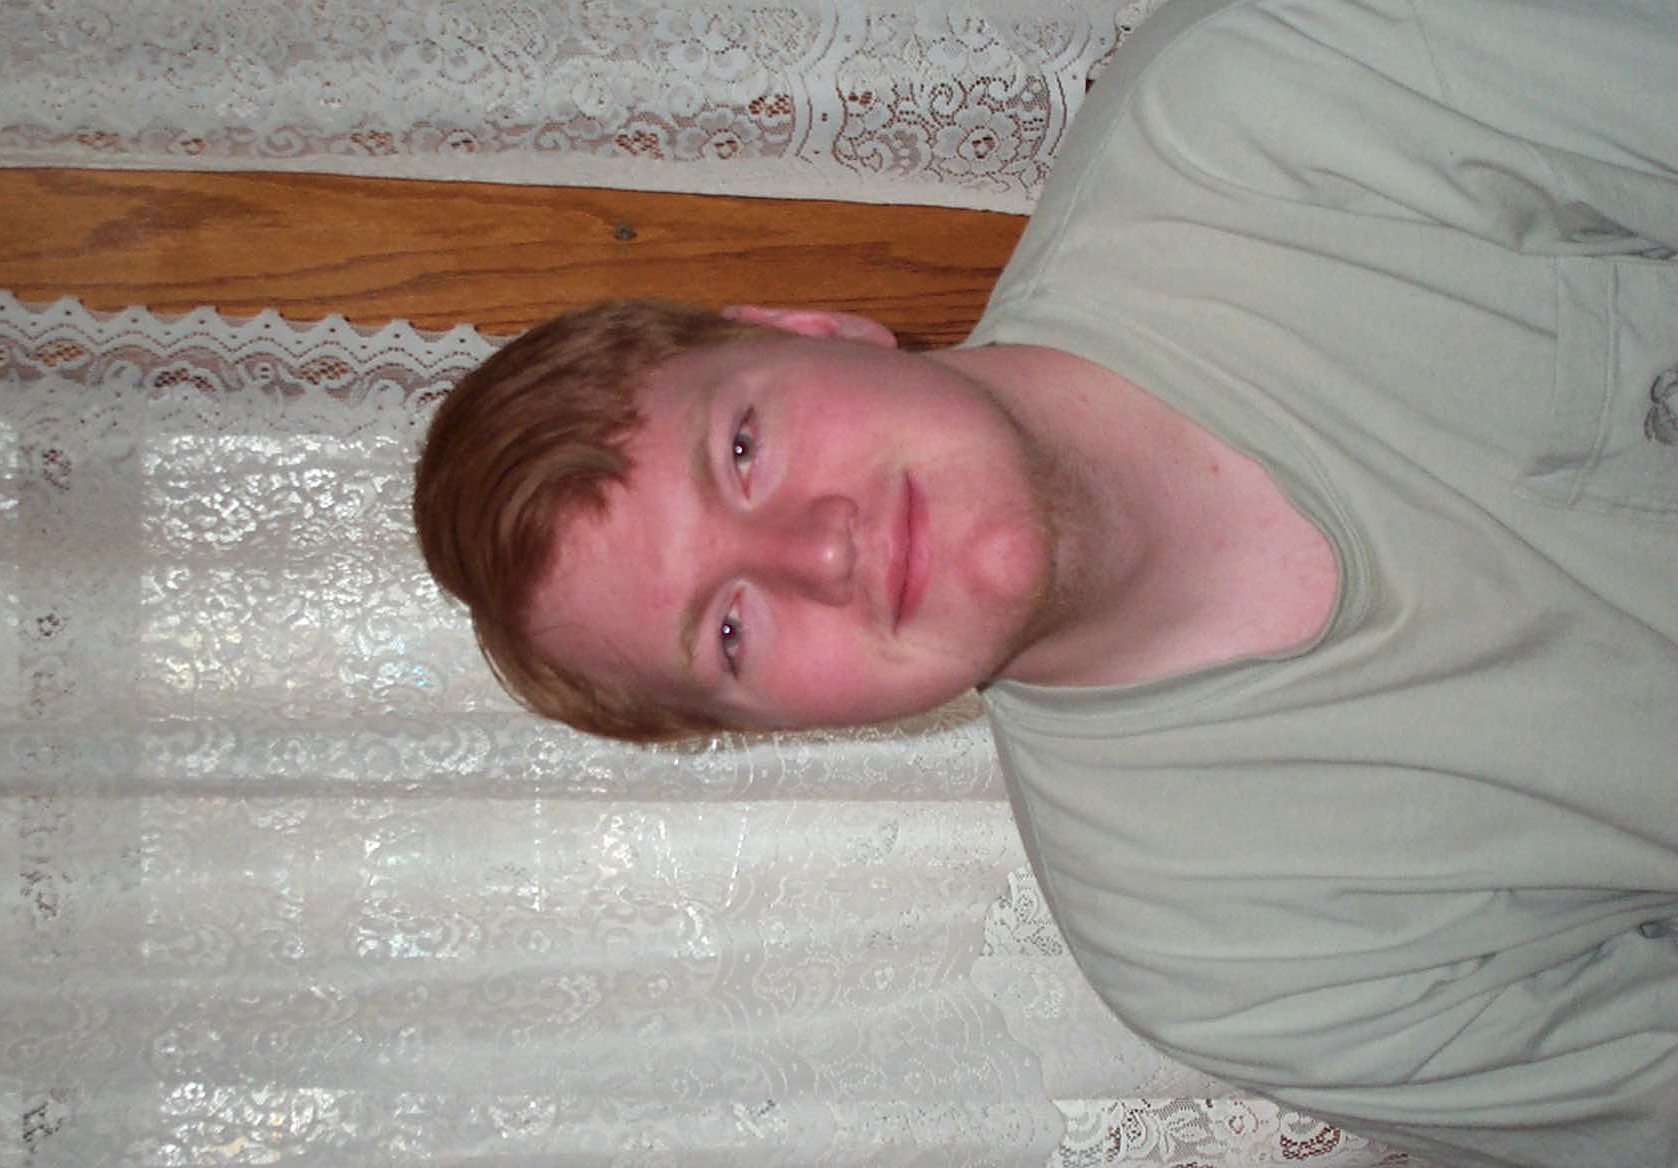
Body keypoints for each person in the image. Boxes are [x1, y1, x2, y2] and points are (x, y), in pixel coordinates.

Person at [413, 0, 1678, 1163]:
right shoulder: (1230, 958)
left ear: (810, 329)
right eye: (731, 631)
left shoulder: (1268, 95)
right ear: (782, 724)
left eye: (742, 449)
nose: (818, 551)